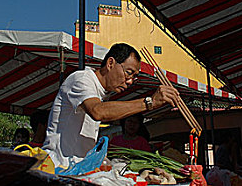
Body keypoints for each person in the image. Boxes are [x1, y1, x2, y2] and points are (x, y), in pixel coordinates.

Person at [42, 43, 179, 169]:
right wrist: (149, 102)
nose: (130, 81)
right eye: (129, 73)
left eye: (134, 77)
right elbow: (98, 111)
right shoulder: (81, 79)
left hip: (79, 168)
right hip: (59, 167)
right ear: (111, 63)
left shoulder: (103, 93)